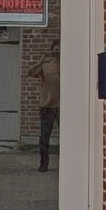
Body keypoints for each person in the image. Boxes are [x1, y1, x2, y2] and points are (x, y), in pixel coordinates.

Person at [26, 39, 61, 173]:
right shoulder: (46, 64)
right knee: (44, 136)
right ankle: (44, 163)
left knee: (67, 135)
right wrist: (41, 61)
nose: (57, 51)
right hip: (47, 104)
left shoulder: (66, 63)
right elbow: (31, 73)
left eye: (59, 49)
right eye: (55, 49)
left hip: (63, 105)